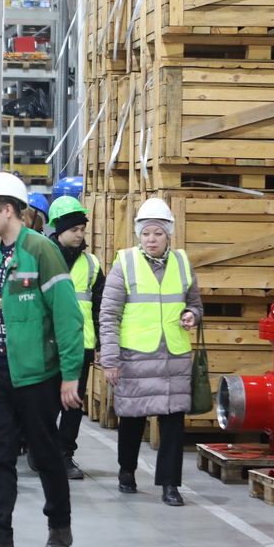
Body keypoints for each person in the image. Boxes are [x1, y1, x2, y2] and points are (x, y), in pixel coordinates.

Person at [0, 172, 85, 547]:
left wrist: (70, 374)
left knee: (46, 454)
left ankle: (59, 530)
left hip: (36, 375)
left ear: (8, 210)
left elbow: (67, 315)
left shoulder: (41, 251)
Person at [98, 198, 203, 507]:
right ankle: (126, 471)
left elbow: (195, 303)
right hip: (135, 357)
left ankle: (170, 485)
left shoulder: (183, 263)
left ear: (169, 234)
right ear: (138, 236)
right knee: (131, 418)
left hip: (173, 357)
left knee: (173, 422)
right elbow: (108, 315)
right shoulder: (124, 264)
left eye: (157, 233)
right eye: (146, 233)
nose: (151, 239)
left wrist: (192, 315)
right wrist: (110, 360)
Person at [48, 196, 105, 480]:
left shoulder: (92, 264)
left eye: (82, 229)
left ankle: (65, 454)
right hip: (47, 345)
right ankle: (42, 449)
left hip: (80, 346)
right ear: (59, 230)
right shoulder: (41, 259)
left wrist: (102, 345)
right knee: (46, 402)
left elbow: (100, 308)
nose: (80, 234)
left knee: (72, 405)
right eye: (74, 229)